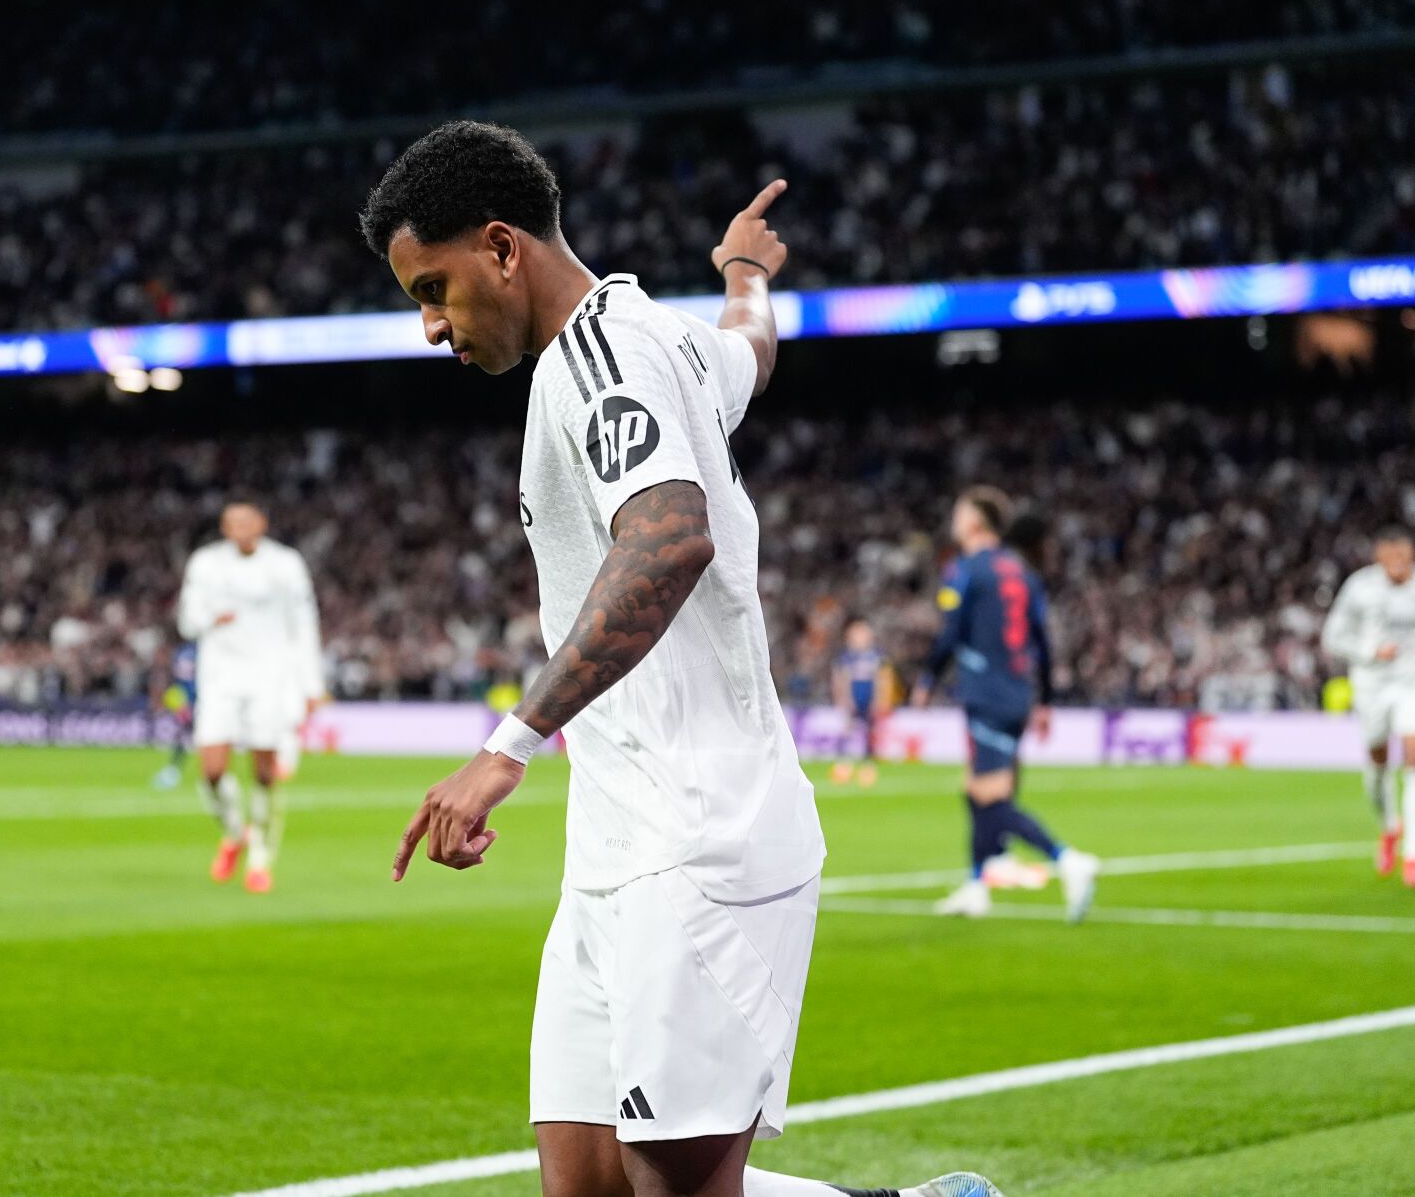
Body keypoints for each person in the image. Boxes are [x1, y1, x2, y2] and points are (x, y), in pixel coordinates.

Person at [366, 121, 1001, 1197]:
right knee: (584, 1187)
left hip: (700, 841)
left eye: (435, 287)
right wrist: (745, 273)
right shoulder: (647, 344)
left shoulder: (604, 357)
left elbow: (667, 537)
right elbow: (746, 352)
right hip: (610, 846)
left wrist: (506, 745)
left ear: (503, 247)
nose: (430, 324)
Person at [912, 488, 1098, 922]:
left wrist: (925, 680)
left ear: (977, 522)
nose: (954, 520)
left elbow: (951, 632)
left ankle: (1068, 859)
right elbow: (1043, 641)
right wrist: (1046, 701)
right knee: (973, 788)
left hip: (986, 693)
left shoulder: (967, 570)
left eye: (960, 512)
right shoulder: (1023, 572)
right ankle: (977, 885)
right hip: (1017, 693)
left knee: (991, 797)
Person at [177, 500, 325, 893]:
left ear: (262, 522)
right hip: (220, 678)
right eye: (232, 522)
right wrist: (210, 618)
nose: (240, 528)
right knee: (210, 771)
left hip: (269, 678)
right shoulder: (205, 563)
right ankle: (233, 833)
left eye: (247, 520)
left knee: (264, 773)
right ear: (224, 528)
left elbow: (304, 623)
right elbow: (186, 621)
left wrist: (310, 684)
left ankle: (260, 858)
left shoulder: (286, 564)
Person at [1320, 527, 1415, 888]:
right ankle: (1388, 827)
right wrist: (1369, 652)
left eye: (1404, 556)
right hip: (1372, 683)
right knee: (1378, 760)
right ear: (1379, 556)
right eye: (1390, 556)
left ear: (1412, 555)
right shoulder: (1359, 587)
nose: (1398, 563)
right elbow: (1332, 635)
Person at [828, 619, 892, 786]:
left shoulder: (876, 656)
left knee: (870, 732)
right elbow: (840, 679)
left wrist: (879, 699)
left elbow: (881, 678)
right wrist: (842, 698)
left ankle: (867, 765)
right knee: (848, 730)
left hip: (868, 697)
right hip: (852, 697)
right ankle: (844, 763)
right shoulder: (846, 657)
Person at [151, 642, 199, 790]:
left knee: (183, 737)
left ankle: (173, 772)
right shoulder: (202, 649)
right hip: (197, 699)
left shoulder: (181, 651)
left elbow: (176, 679)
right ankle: (174, 772)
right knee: (189, 737)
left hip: (185, 700)